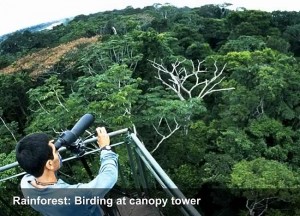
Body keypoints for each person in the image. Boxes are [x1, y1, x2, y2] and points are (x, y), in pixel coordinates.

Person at [15, 127, 118, 216]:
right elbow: (109, 176)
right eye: (55, 151)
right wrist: (105, 148)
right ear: (49, 164)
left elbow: (41, 169)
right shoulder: (75, 196)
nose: (58, 151)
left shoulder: (27, 184)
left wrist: (52, 149)